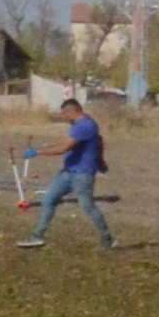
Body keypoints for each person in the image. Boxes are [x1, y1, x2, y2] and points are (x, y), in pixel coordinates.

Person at [24, 92, 113, 251]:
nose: (64, 117)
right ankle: (38, 236)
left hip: (82, 174)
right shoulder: (79, 125)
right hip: (68, 172)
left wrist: (37, 152)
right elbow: (98, 144)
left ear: (73, 111)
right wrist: (101, 162)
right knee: (48, 199)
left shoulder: (85, 126)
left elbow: (64, 147)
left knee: (88, 206)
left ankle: (107, 239)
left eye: (65, 114)